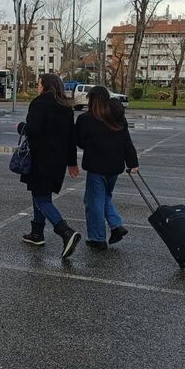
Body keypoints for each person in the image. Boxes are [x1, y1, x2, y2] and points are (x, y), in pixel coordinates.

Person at [18, 73, 82, 258]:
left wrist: (21, 126)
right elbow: (72, 138)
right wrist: (72, 163)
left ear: (45, 86)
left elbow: (33, 130)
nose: (38, 87)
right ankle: (37, 233)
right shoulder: (66, 107)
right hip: (58, 160)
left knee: (41, 199)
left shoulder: (39, 104)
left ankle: (65, 231)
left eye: (39, 84)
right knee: (40, 193)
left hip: (40, 158)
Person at [75, 86, 138, 249]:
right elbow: (127, 142)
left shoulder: (86, 119)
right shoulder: (117, 117)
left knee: (94, 201)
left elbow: (80, 142)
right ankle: (116, 225)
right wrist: (133, 163)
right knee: (104, 197)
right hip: (115, 166)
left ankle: (97, 238)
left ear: (92, 100)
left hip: (96, 166)